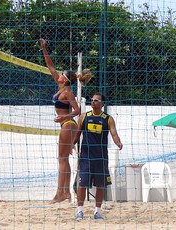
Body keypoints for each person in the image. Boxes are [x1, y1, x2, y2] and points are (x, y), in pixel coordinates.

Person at [41, 38, 81, 203]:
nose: (58, 74)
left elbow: (77, 110)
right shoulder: (60, 88)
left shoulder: (67, 92)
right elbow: (50, 66)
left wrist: (64, 116)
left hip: (68, 124)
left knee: (62, 159)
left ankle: (60, 194)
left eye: (62, 74)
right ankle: (66, 193)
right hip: (66, 125)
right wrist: (44, 49)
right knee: (64, 159)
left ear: (65, 79)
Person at [73, 93, 123, 220]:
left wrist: (118, 142)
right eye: (92, 100)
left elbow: (114, 134)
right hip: (85, 157)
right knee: (82, 184)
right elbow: (77, 134)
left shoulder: (108, 119)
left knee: (100, 186)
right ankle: (80, 211)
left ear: (102, 104)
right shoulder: (84, 117)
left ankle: (97, 212)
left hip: (101, 158)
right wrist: (71, 145)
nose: (93, 102)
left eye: (96, 100)